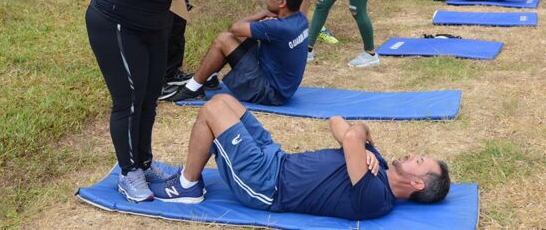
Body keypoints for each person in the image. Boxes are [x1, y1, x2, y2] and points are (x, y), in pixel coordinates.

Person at [85, 0, 220, 202]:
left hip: (154, 24)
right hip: (118, 26)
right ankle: (128, 172)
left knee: (148, 97)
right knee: (128, 101)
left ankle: (144, 162)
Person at [149, 94, 451, 220]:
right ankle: (190, 179)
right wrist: (360, 135)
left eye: (420, 161)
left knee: (213, 111)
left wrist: (359, 134)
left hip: (266, 184)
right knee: (224, 100)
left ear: (417, 184)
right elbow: (335, 120)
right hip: (275, 158)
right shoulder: (378, 165)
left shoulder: (376, 198)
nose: (413, 155)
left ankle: (187, 184)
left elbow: (347, 135)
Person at [167, 0, 309, 105]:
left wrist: (259, 15)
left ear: (282, 3)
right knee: (244, 36)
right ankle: (210, 79)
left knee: (224, 39)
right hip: (284, 90)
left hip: (269, 94)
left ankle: (191, 90)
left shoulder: (277, 27)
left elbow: (235, 28)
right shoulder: (301, 19)